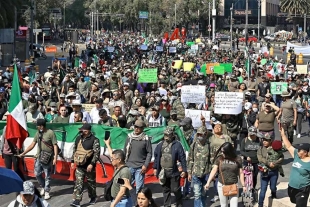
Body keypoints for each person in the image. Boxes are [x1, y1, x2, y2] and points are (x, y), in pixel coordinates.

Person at [19, 119, 58, 200]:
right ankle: (43, 186)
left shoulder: (50, 133)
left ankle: (47, 191)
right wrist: (23, 153)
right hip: (39, 157)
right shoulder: (38, 133)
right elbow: (32, 144)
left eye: (37, 125)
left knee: (47, 175)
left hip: (48, 158)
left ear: (41, 126)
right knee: (37, 174)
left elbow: (55, 145)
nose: (36, 127)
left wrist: (55, 157)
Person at [153, 126, 187, 207]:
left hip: (174, 171)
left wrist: (184, 170)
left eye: (168, 135)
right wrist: (155, 168)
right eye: (165, 135)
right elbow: (156, 156)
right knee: (165, 189)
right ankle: (167, 205)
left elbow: (182, 158)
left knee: (175, 189)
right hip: (163, 171)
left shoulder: (177, 145)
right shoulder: (160, 145)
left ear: (172, 135)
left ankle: (179, 202)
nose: (166, 137)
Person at [205, 142, 246, 207]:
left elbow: (241, 173)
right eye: (221, 151)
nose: (222, 153)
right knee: (224, 205)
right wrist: (208, 182)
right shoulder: (220, 158)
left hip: (234, 185)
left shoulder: (237, 159)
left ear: (229, 152)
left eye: (224, 152)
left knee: (234, 205)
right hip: (222, 185)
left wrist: (243, 185)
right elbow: (214, 170)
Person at [70, 123, 100, 207]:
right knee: (79, 183)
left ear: (88, 131)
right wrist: (72, 161)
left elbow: (96, 153)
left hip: (89, 166)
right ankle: (77, 200)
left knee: (91, 183)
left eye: (83, 130)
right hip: (79, 166)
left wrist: (92, 164)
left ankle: (93, 197)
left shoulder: (95, 140)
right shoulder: (78, 138)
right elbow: (74, 150)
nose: (81, 131)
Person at [280, 127, 310, 207]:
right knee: (293, 200)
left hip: (303, 189)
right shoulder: (297, 155)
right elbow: (289, 146)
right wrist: (283, 135)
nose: (298, 151)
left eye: (300, 150)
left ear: (305, 152)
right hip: (292, 187)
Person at [124, 120, 152, 195]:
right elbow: (125, 151)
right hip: (129, 166)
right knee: (127, 186)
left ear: (142, 128)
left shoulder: (146, 139)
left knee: (139, 188)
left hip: (140, 168)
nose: (136, 129)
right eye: (135, 127)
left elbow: (149, 153)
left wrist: (145, 165)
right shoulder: (129, 137)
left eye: (138, 127)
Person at [187, 126, 212, 207]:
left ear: (205, 134)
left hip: (206, 174)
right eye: (198, 134)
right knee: (197, 195)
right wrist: (189, 172)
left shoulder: (209, 145)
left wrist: (212, 173)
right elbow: (190, 159)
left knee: (204, 194)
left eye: (201, 134)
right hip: (195, 173)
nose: (199, 136)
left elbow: (211, 160)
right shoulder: (193, 145)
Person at [104, 140, 133, 207]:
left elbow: (122, 191)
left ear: (119, 160)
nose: (111, 160)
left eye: (112, 159)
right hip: (118, 200)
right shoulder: (118, 167)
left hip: (122, 202)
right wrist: (108, 144)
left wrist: (113, 204)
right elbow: (112, 155)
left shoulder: (124, 172)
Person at [257, 137, 284, 207]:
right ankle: (260, 205)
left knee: (273, 187)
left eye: (266, 140)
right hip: (264, 172)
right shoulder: (260, 149)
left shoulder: (276, 147)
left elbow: (281, 158)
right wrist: (269, 163)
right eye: (263, 140)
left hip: (274, 172)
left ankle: (273, 194)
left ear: (270, 141)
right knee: (263, 190)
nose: (264, 142)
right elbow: (260, 159)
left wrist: (274, 163)